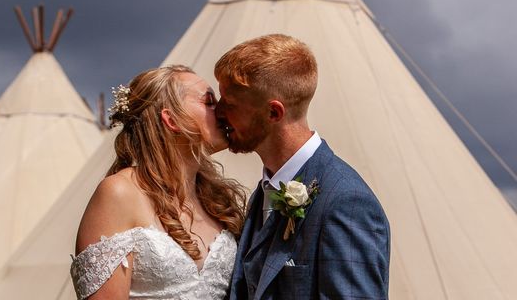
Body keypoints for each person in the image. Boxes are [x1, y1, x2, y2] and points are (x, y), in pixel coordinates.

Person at [215, 34, 390, 300]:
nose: (218, 112)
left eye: (229, 104)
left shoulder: (347, 203)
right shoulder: (265, 190)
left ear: (274, 113)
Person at [70, 65, 247, 300]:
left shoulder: (218, 201)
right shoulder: (120, 193)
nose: (223, 112)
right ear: (171, 119)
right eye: (209, 102)